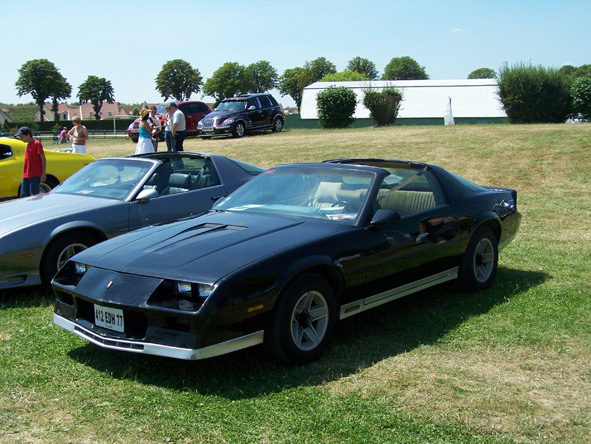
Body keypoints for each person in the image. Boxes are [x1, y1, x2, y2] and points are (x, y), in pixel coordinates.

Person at [15, 126, 46, 197]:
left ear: (28, 135)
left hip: (34, 174)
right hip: (26, 174)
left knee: (34, 194)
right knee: (23, 195)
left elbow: (43, 159)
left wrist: (43, 174)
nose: (21, 139)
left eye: (22, 137)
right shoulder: (27, 145)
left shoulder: (37, 144)